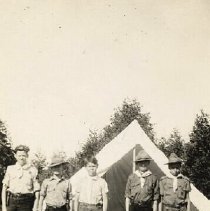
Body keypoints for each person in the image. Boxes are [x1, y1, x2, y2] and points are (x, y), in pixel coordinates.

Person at [1, 145, 40, 211]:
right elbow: (4, 188)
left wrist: (35, 206)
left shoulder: (33, 170)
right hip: (11, 202)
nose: (21, 158)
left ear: (27, 156)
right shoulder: (10, 169)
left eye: (23, 155)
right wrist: (4, 206)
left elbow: (37, 190)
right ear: (15, 156)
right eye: (19, 155)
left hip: (26, 203)